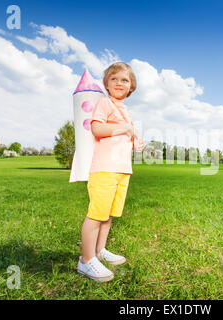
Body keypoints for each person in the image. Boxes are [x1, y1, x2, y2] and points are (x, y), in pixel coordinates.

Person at [77, 62, 144, 282]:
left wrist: (136, 141)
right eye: (114, 79)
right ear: (106, 83)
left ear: (131, 86)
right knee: (96, 215)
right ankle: (86, 260)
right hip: (104, 168)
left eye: (124, 80)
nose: (119, 83)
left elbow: (127, 135)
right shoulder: (105, 104)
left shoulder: (126, 111)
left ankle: (100, 250)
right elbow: (97, 129)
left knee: (108, 216)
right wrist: (124, 129)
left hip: (122, 170)